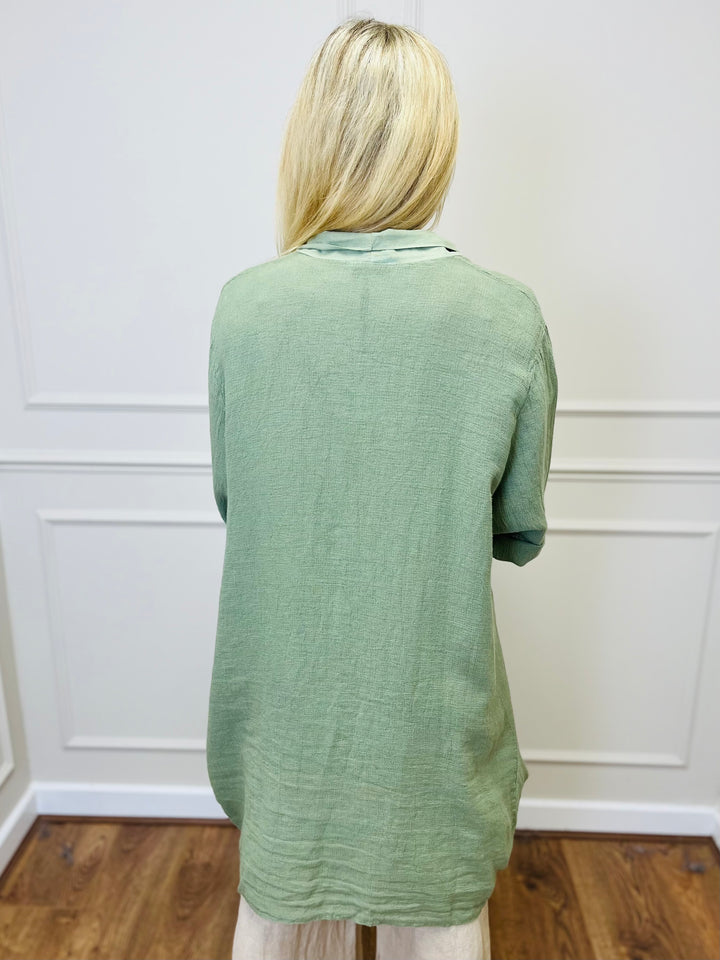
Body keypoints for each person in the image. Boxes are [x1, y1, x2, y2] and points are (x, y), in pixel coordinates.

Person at [206, 15, 558, 960]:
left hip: (283, 720)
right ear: (435, 145)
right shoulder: (507, 317)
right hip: (428, 726)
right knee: (440, 919)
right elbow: (516, 524)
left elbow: (238, 496)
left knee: (278, 917)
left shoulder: (245, 309)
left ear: (310, 137)